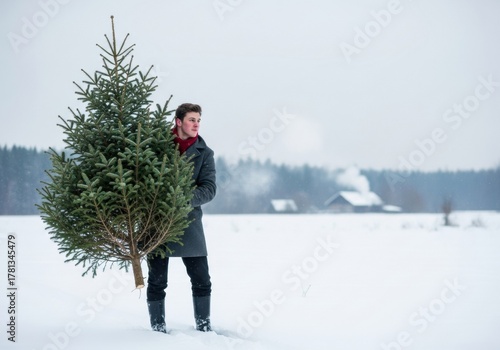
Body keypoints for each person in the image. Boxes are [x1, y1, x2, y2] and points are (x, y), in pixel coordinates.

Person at [146, 103, 217, 333]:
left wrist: (182, 198)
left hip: (189, 222)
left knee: (202, 280)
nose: (196, 124)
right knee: (157, 281)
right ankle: (157, 330)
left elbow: (209, 188)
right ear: (178, 121)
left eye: (198, 120)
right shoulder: (156, 147)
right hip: (156, 223)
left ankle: (204, 327)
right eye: (191, 120)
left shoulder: (205, 153)